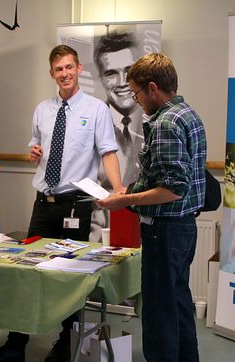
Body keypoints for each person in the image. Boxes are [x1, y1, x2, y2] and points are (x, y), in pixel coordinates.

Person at [0, 44, 124, 362]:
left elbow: (108, 152)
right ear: (52, 73)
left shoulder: (97, 109)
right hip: (43, 203)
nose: (65, 74)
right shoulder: (43, 109)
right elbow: (36, 146)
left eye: (70, 67)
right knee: (26, 272)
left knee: (69, 277)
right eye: (59, 69)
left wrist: (118, 189)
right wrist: (33, 154)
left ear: (79, 68)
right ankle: (16, 343)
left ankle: (67, 341)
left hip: (76, 207)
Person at [98, 52, 206, 362]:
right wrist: (133, 190)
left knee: (159, 321)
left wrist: (124, 200)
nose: (136, 100)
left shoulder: (163, 124)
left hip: (165, 232)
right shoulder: (189, 114)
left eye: (138, 93)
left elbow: (172, 189)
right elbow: (172, 178)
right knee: (179, 312)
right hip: (184, 231)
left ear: (153, 88)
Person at [90, 31, 145, 240]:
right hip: (99, 236)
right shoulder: (91, 124)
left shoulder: (156, 123)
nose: (122, 82)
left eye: (129, 71)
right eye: (111, 72)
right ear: (101, 78)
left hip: (147, 231)